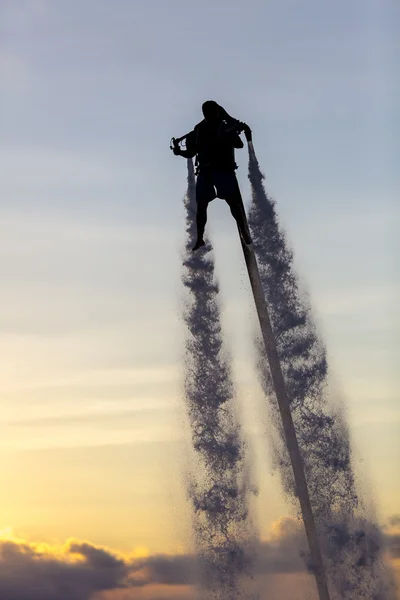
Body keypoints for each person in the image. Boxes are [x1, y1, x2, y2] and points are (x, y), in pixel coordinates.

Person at [172, 100, 252, 251]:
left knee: (233, 203)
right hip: (205, 173)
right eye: (207, 113)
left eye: (212, 112)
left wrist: (229, 134)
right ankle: (200, 238)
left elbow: (239, 144)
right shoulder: (199, 130)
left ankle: (243, 230)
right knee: (201, 205)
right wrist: (179, 152)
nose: (210, 115)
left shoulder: (226, 126)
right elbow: (191, 152)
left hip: (224, 171)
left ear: (217, 112)